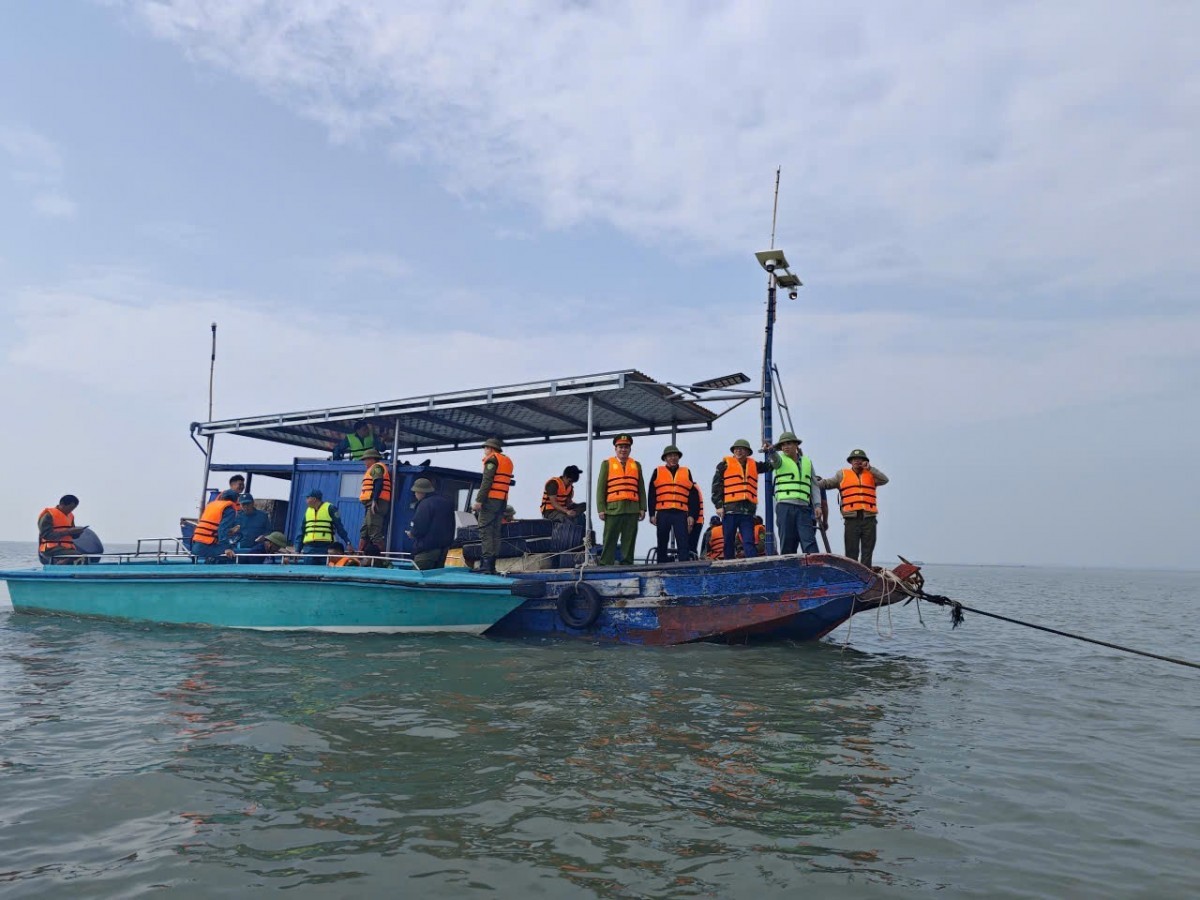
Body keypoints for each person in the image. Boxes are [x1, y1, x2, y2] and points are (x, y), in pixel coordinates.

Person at [819, 449, 889, 567]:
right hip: (851, 519)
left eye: (860, 459)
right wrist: (812, 482)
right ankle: (852, 573)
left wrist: (870, 468)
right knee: (851, 552)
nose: (857, 461)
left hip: (869, 519)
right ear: (850, 461)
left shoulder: (871, 474)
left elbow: (885, 480)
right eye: (854, 459)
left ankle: (865, 574)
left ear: (865, 461)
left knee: (867, 551)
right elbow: (826, 484)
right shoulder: (842, 474)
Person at [762, 432, 823, 554]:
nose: (785, 447)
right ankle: (788, 565)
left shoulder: (807, 462)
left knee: (809, 541)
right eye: (783, 445)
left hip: (804, 508)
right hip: (785, 507)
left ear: (796, 445)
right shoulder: (779, 460)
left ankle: (814, 565)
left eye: (789, 443)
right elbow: (775, 460)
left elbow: (814, 485)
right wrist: (771, 451)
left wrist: (817, 505)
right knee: (787, 542)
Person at [596, 433, 646, 565]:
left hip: (632, 508)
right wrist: (601, 509)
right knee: (610, 538)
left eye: (626, 447)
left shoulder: (636, 465)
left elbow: (641, 487)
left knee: (629, 538)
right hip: (613, 509)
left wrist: (642, 508)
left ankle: (627, 563)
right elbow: (601, 488)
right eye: (621, 447)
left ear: (630, 449)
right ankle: (606, 563)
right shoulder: (607, 464)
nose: (623, 449)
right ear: (615, 448)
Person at [648, 444, 699, 562]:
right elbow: (651, 494)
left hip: (680, 513)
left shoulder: (686, 471)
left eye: (675, 455)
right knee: (662, 541)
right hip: (663, 512)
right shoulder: (657, 471)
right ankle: (661, 566)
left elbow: (693, 496)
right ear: (665, 458)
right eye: (670, 456)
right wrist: (651, 514)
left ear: (678, 457)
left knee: (683, 542)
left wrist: (692, 515)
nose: (673, 458)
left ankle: (683, 567)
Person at [712, 439, 759, 559]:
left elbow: (771, 465)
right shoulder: (724, 465)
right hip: (729, 511)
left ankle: (753, 564)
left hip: (747, 512)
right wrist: (718, 505)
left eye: (742, 449)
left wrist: (771, 451)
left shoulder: (754, 465)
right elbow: (716, 486)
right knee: (728, 541)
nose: (738, 451)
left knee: (748, 541)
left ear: (747, 452)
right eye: (736, 449)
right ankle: (729, 564)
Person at [472, 437, 513, 574]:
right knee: (495, 532)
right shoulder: (506, 460)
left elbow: (487, 481)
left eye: (485, 447)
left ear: (490, 448)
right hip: (502, 501)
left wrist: (479, 500)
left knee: (485, 530)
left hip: (490, 500)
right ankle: (492, 566)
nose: (484, 450)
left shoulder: (492, 460)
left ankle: (486, 566)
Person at [406, 477, 455, 570]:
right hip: (443, 551)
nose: (415, 494)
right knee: (436, 576)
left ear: (421, 492)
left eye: (416, 492)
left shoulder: (424, 504)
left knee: (417, 576)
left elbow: (419, 527)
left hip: (426, 551)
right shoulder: (447, 502)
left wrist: (412, 533)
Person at [295, 489, 351, 564]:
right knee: (308, 570)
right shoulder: (308, 511)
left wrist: (348, 542)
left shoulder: (330, 508)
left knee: (324, 569)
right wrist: (297, 550)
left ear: (314, 499)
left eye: (308, 498)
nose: (306, 500)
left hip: (325, 548)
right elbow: (302, 531)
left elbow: (339, 527)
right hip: (309, 549)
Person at [358, 448, 392, 559]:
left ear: (372, 459)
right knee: (365, 531)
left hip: (377, 503)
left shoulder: (376, 467)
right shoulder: (374, 468)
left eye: (366, 459)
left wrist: (374, 500)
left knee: (374, 531)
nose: (365, 462)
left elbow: (379, 482)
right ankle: (360, 556)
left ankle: (382, 560)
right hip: (371, 504)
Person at [191, 489, 240, 563]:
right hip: (207, 547)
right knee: (238, 554)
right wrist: (226, 548)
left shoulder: (211, 506)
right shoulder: (229, 510)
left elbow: (213, 527)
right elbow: (223, 529)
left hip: (195, 546)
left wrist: (230, 531)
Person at [37, 494, 87, 564]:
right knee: (77, 556)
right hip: (50, 548)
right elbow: (46, 535)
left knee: (83, 557)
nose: (71, 510)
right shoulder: (48, 515)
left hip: (66, 548)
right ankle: (58, 566)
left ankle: (64, 565)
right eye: (70, 508)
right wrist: (68, 532)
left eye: (73, 508)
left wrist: (77, 532)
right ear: (62, 504)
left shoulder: (71, 516)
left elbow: (73, 536)